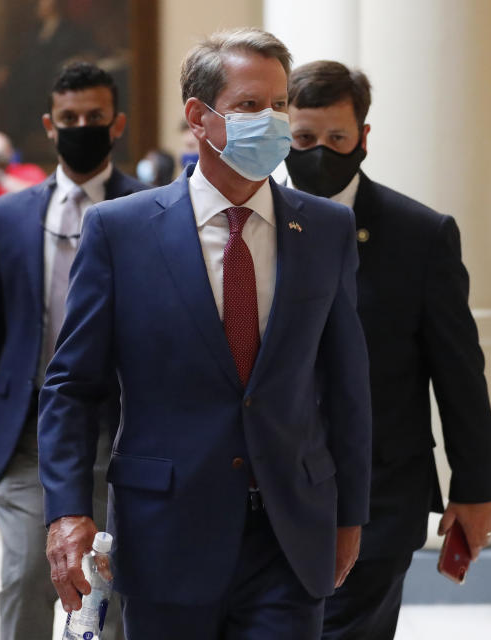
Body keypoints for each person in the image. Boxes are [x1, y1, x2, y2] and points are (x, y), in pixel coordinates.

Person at [38, 28, 372, 640]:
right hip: (166, 532)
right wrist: (65, 511)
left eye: (278, 106)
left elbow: (346, 384)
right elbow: (71, 385)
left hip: (290, 533)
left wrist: (350, 515)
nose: (270, 122)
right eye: (250, 106)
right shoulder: (122, 231)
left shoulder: (324, 230)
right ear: (199, 116)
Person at [284, 60, 491, 640]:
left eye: (337, 138)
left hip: (380, 490)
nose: (320, 152)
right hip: (266, 492)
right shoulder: (249, 225)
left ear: (363, 138)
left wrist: (475, 487)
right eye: (304, 139)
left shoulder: (420, 236)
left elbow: (458, 370)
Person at [0, 62, 146, 640]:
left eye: (94, 117)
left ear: (117, 124)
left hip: (122, 425)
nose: (81, 126)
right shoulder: (12, 214)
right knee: (26, 575)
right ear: (49, 124)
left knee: (111, 581)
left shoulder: (150, 206)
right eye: (69, 118)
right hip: (28, 426)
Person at [0, 131, 47, 248]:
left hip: (26, 248)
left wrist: (2, 179)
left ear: (10, 152)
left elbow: (41, 198)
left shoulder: (30, 171)